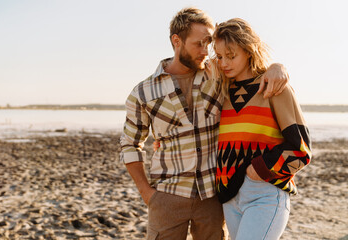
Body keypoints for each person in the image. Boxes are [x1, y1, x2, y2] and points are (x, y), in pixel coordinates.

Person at [120, 8, 288, 240]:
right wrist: (147, 193)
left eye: (208, 43)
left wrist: (277, 67)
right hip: (167, 196)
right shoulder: (143, 92)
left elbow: (250, 65)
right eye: (198, 44)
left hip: (213, 197)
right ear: (176, 41)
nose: (205, 51)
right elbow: (129, 145)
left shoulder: (218, 74)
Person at [212, 18, 312, 239]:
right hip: (230, 198)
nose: (224, 63)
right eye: (219, 57)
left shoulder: (274, 88)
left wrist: (258, 169)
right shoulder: (222, 90)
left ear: (248, 51)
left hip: (264, 193)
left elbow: (301, 150)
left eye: (231, 55)